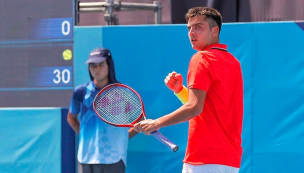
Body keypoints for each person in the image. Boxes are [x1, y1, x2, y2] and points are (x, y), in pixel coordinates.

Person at [134, 7, 243, 173]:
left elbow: (194, 107)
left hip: (203, 160)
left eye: (198, 27)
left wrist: (156, 123)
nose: (192, 32)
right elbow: (206, 108)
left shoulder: (201, 58)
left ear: (215, 31)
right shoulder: (234, 62)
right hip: (230, 162)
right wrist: (180, 91)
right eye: (189, 28)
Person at [67, 47, 137, 173]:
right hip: (85, 158)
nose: (97, 69)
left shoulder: (122, 93)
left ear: (109, 65)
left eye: (101, 65)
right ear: (89, 68)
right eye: (93, 65)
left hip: (114, 158)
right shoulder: (80, 92)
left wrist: (121, 139)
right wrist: (86, 137)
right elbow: (71, 118)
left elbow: (138, 122)